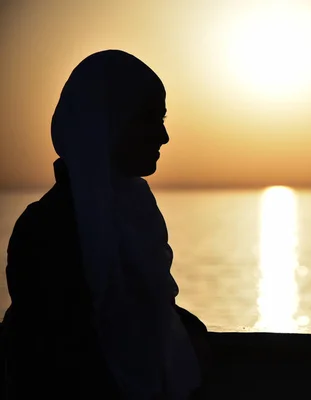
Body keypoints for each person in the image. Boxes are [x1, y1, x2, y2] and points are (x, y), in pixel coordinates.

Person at [0, 50, 209, 399]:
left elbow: (140, 308)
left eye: (162, 118)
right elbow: (62, 359)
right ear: (106, 124)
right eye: (149, 119)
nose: (164, 136)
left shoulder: (135, 215)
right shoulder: (46, 230)